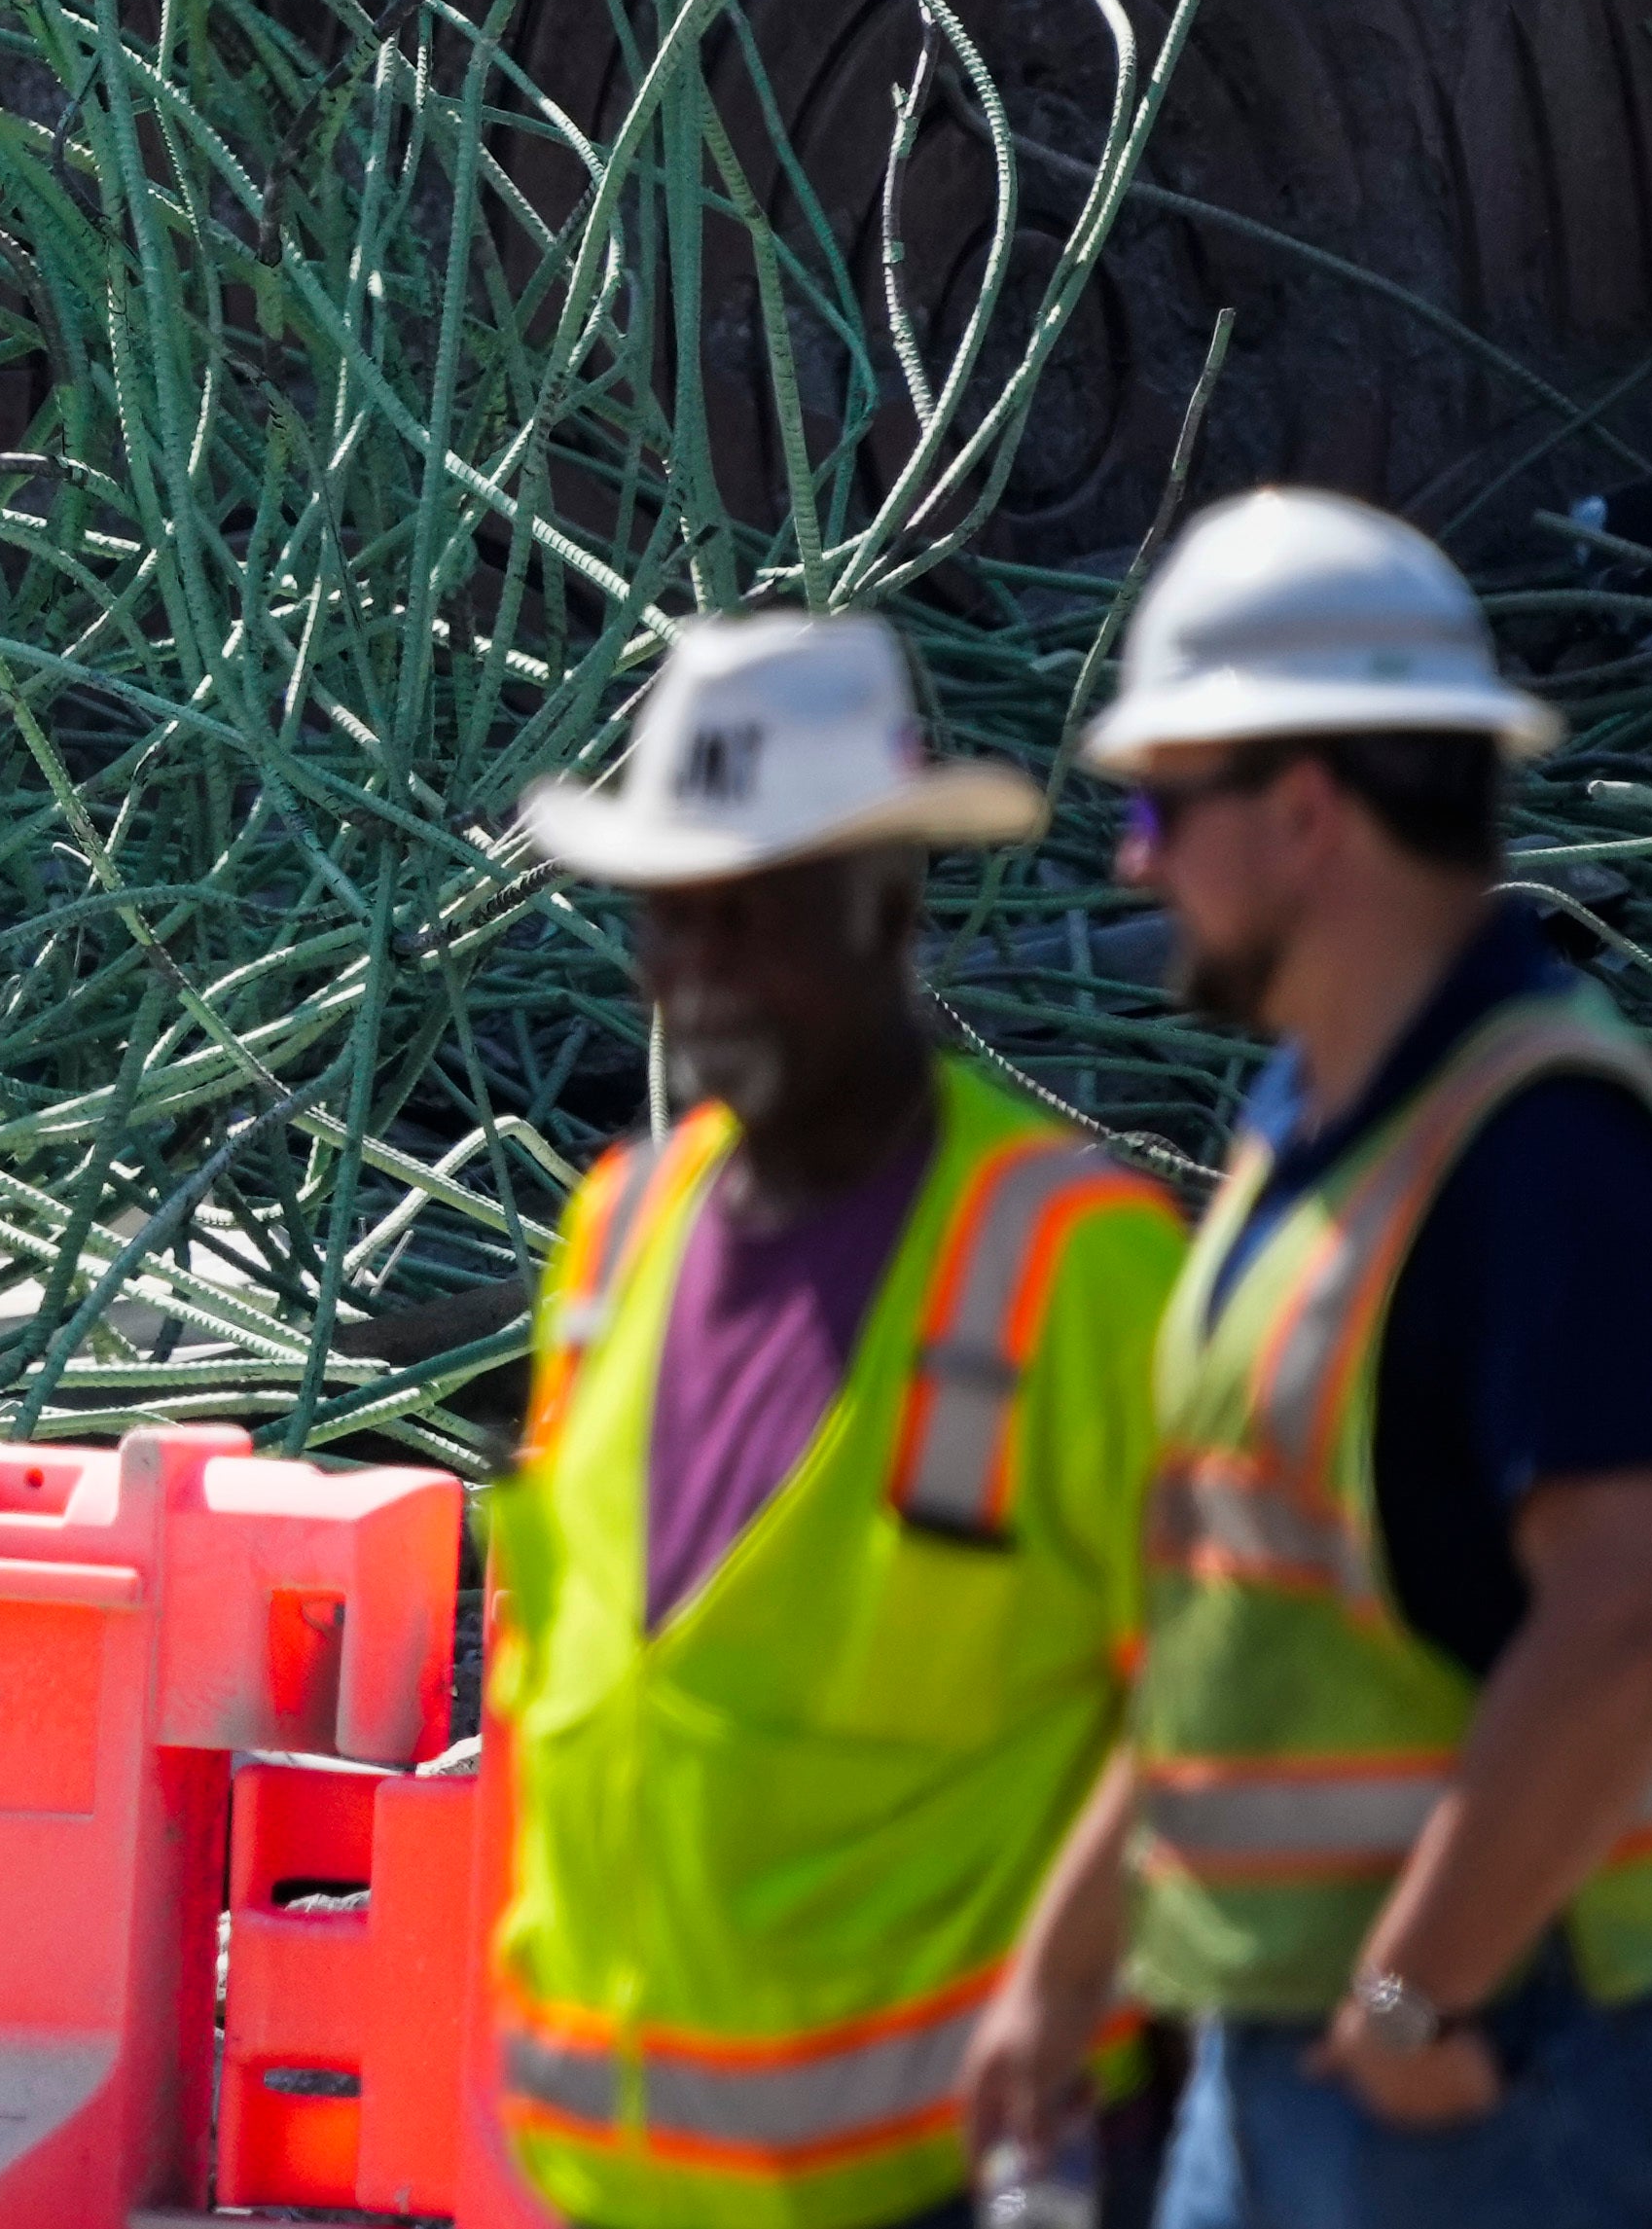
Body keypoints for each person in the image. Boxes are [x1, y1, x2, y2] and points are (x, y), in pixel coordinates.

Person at [967, 490, 1652, 2229]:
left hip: (1520, 2052)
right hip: (1324, 2041)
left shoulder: (1542, 1151)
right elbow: (1238, 1618)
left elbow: (1625, 1618)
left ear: (1301, 811)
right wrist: (1068, 1964)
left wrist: (1410, 1994)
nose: (1132, 858)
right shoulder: (1316, 1128)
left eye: (1159, 804)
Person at [488, 615, 1189, 2229]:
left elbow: (1233, 1709)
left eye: (756, 913)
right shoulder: (610, 1238)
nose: (700, 970)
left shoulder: (1072, 1265)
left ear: (886, 901)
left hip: (956, 2179)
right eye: (674, 915)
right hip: (624, 2181)